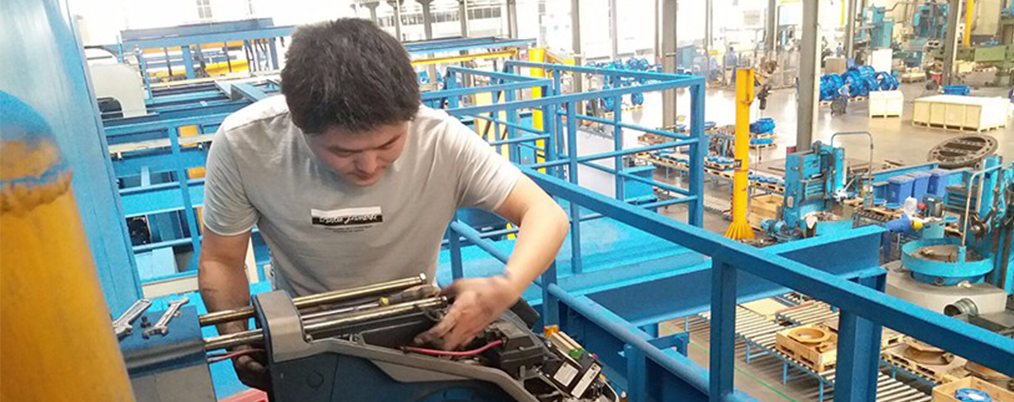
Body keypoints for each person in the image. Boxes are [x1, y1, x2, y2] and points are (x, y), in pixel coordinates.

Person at [197, 19, 570, 390]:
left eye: (388, 145)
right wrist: (237, 340)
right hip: (309, 342)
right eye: (343, 152)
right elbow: (221, 260)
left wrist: (505, 286)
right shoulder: (246, 144)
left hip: (416, 333)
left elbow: (545, 213)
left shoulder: (440, 140)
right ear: (299, 125)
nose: (369, 166)